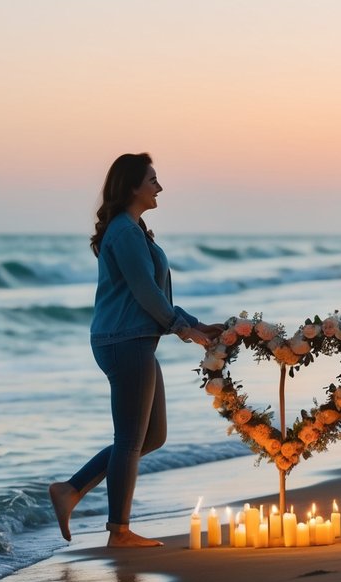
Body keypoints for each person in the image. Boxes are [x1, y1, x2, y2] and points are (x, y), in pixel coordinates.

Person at [49, 153, 219, 548]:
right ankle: (119, 532)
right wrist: (184, 330)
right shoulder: (125, 232)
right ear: (132, 187)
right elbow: (145, 292)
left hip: (132, 340)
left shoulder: (135, 229)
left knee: (151, 435)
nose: (159, 187)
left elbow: (153, 292)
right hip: (123, 341)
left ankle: (71, 490)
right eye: (153, 180)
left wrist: (192, 322)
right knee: (130, 438)